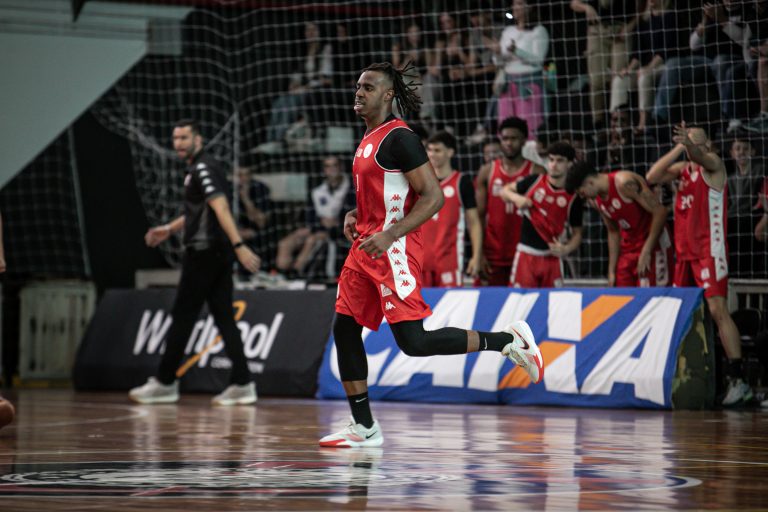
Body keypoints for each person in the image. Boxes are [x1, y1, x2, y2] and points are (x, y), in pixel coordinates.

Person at [319, 62, 544, 448]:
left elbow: (434, 196)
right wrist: (357, 213)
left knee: (414, 342)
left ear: (388, 95)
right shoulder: (368, 136)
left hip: (393, 250)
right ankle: (364, 426)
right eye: (357, 86)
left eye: (368, 87)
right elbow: (386, 193)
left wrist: (390, 233)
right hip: (364, 248)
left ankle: (507, 340)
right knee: (344, 328)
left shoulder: (401, 138)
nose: (358, 92)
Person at [129, 119, 261, 406]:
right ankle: (243, 383)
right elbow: (197, 210)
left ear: (198, 140)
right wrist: (169, 229)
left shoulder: (203, 168)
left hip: (204, 253)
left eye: (184, 138)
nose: (178, 143)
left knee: (183, 316)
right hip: (215, 253)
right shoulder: (199, 168)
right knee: (223, 317)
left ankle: (165, 382)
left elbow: (220, 206)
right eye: (176, 138)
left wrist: (239, 245)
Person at [646, 123, 752, 406]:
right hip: (685, 254)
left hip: (709, 251)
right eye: (686, 141)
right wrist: (678, 148)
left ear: (708, 145)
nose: (689, 146)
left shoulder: (713, 165)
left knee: (718, 310)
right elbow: (652, 176)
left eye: (694, 141)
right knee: (681, 313)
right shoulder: (682, 170)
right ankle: (685, 376)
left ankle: (738, 380)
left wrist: (691, 148)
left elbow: (700, 156)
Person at [566, 165, 671, 287]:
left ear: (589, 182)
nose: (582, 197)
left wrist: (647, 250)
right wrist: (611, 270)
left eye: (581, 192)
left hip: (653, 243)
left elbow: (660, 212)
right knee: (622, 292)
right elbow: (613, 230)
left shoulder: (624, 183)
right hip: (629, 247)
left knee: (650, 295)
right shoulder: (594, 200)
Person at [502, 142, 584, 287]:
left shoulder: (573, 197)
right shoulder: (534, 181)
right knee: (520, 299)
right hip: (526, 255)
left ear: (570, 163)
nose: (553, 165)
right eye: (551, 159)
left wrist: (566, 248)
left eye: (559, 161)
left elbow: (578, 233)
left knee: (553, 300)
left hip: (552, 257)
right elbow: (504, 191)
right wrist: (517, 198)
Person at [476, 116, 545, 286]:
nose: (508, 143)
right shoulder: (487, 171)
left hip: (525, 252)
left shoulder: (537, 172)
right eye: (505, 138)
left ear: (524, 141)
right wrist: (478, 254)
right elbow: (478, 217)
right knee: (489, 301)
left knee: (522, 300)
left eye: (514, 138)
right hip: (492, 253)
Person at [421, 131, 482, 287]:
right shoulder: (419, 182)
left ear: (450, 152)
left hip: (449, 261)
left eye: (437, 150)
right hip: (420, 261)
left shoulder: (462, 182)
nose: (432, 154)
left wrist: (476, 256)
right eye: (429, 150)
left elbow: (474, 223)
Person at [275, 156, 351, 278]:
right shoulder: (318, 191)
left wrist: (336, 222)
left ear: (341, 167)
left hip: (339, 231)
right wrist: (320, 222)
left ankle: (295, 272)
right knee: (285, 243)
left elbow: (352, 212)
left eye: (334, 165)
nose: (331, 169)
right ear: (324, 170)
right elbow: (309, 216)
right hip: (318, 227)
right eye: (328, 166)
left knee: (312, 240)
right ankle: (280, 274)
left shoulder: (351, 189)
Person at [234, 166, 272, 272]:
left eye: (245, 175)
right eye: (239, 175)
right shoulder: (230, 188)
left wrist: (246, 199)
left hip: (256, 231)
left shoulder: (260, 189)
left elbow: (261, 222)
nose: (242, 179)